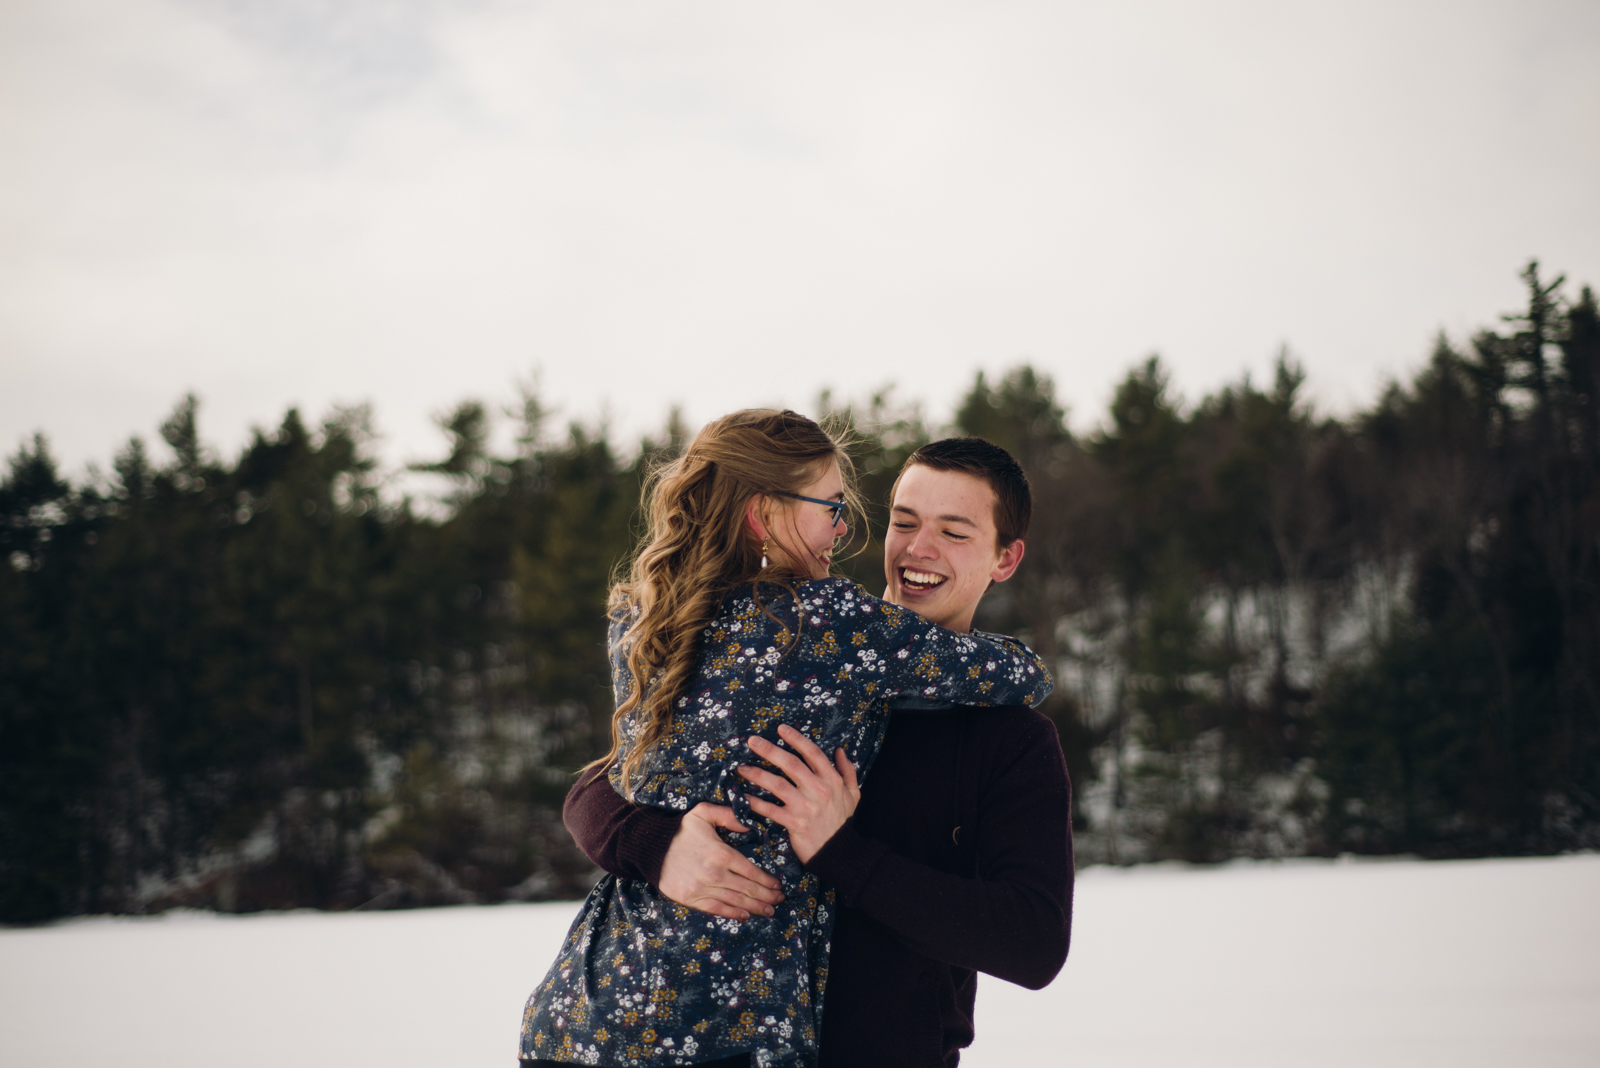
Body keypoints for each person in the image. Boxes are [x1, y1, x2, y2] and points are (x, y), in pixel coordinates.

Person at [518, 413, 1053, 1068]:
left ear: (1007, 558)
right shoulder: (820, 637)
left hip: (605, 1018)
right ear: (764, 515)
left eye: (955, 531)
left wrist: (842, 853)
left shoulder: (1010, 739)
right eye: (904, 520)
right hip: (721, 1036)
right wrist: (660, 847)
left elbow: (1034, 944)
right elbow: (598, 785)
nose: (918, 547)